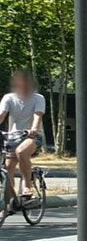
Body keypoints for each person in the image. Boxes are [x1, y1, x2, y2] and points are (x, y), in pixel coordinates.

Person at [0, 70, 45, 204]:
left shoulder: (38, 98)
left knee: (21, 152)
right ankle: (10, 203)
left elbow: (38, 116)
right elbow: (1, 115)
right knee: (7, 168)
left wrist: (34, 129)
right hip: (13, 137)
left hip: (32, 136)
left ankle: (27, 186)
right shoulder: (9, 98)